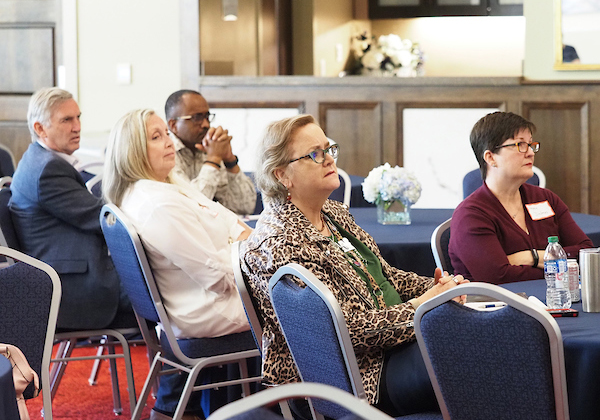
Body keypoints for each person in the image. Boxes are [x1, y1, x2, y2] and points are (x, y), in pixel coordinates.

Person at [239, 114, 468, 417]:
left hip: (391, 346)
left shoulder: (332, 214)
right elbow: (342, 330)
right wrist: (419, 308)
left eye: (328, 149)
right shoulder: (278, 244)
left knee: (475, 340)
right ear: (283, 174)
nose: (329, 160)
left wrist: (438, 288)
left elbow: (386, 277)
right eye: (315, 154)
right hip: (355, 378)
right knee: (466, 357)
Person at [103, 108, 254, 420]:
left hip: (200, 302)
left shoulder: (164, 184)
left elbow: (226, 216)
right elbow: (217, 276)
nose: (169, 142)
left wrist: (238, 240)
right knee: (309, 306)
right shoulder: (157, 204)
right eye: (156, 137)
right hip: (211, 308)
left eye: (166, 134)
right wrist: (255, 251)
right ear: (132, 152)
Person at [9, 87, 135, 330]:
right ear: (39, 128)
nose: (77, 127)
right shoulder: (47, 170)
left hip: (76, 273)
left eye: (78, 117)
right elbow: (102, 219)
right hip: (74, 287)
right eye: (67, 120)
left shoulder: (42, 160)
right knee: (169, 293)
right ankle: (189, 365)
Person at [450, 111, 593, 284]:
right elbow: (499, 277)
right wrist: (561, 267)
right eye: (520, 145)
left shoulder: (544, 198)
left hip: (553, 300)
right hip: (493, 307)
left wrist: (532, 257)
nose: (531, 153)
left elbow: (586, 253)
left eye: (530, 145)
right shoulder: (471, 215)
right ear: (490, 157)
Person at [164, 89, 257, 215]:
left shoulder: (209, 147)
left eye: (207, 117)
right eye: (197, 118)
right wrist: (213, 159)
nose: (206, 124)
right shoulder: (166, 152)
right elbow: (192, 206)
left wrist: (229, 159)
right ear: (173, 125)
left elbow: (245, 206)